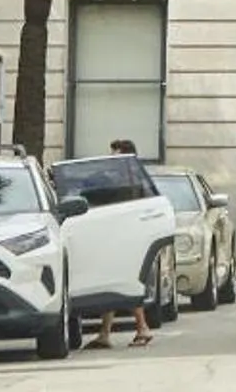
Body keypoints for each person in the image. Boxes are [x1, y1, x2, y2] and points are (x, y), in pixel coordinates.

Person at [89, 143, 153, 347]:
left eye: (114, 155)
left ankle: (142, 328)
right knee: (116, 283)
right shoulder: (137, 177)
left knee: (124, 283)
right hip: (125, 237)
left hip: (123, 239)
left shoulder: (124, 180)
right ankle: (105, 333)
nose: (110, 158)